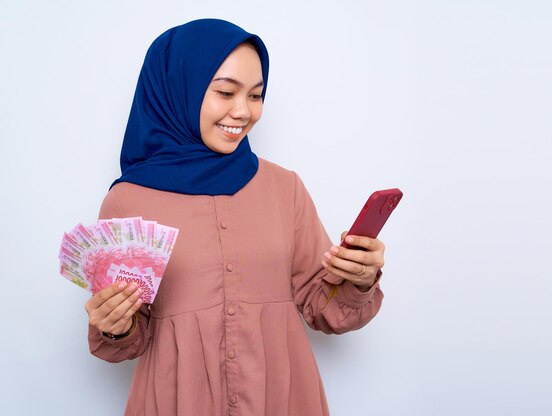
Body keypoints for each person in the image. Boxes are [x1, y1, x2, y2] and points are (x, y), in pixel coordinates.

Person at [85, 19, 385, 416]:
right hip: (179, 401)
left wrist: (359, 281)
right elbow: (129, 338)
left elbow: (323, 307)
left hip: (282, 400)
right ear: (180, 88)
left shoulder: (284, 188)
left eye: (257, 95)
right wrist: (115, 324)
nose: (243, 112)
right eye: (225, 91)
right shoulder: (126, 202)